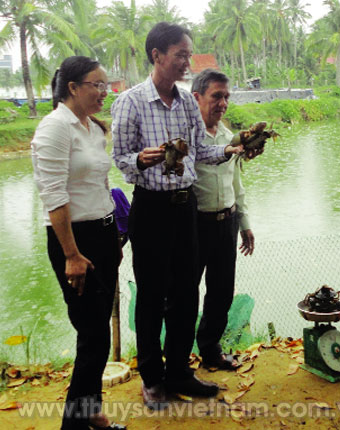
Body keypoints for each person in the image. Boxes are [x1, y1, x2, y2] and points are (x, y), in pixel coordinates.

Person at [111, 22, 244, 410]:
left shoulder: (187, 102)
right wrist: (141, 158)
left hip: (186, 208)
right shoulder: (131, 102)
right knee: (152, 295)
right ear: (157, 55)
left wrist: (231, 151)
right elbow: (120, 161)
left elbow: (202, 150)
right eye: (181, 54)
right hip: (150, 208)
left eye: (189, 53)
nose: (188, 61)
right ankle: (152, 378)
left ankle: (180, 371)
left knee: (187, 294)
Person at [32, 56, 125, 430]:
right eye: (97, 85)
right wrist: (71, 254)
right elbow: (53, 196)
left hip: (102, 234)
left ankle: (92, 412)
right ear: (73, 87)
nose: (104, 92)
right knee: (93, 335)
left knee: (97, 328)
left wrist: (114, 234)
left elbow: (99, 184)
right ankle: (74, 423)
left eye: (106, 85)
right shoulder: (55, 128)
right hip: (75, 240)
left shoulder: (91, 128)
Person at [191, 69, 259, 370]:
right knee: (184, 293)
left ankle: (210, 351)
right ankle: (178, 360)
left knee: (221, 292)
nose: (223, 103)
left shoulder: (228, 135)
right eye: (216, 96)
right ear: (198, 98)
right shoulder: (188, 136)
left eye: (226, 97)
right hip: (195, 224)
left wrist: (244, 224)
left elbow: (236, 183)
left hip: (227, 222)